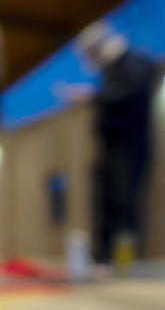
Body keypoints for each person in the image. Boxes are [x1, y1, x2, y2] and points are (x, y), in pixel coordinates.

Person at [59, 21, 155, 264]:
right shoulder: (110, 73)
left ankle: (125, 263)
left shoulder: (135, 63)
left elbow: (131, 92)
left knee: (124, 203)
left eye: (88, 55)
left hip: (129, 145)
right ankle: (103, 260)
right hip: (109, 148)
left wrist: (93, 96)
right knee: (105, 203)